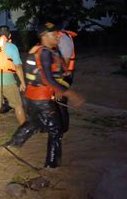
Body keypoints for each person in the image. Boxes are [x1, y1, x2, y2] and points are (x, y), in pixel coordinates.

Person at [5, 20, 84, 168]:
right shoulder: (45, 53)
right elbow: (48, 78)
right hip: (41, 98)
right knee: (56, 130)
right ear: (44, 36)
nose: (58, 36)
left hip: (30, 97)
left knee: (34, 123)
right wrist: (70, 93)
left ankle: (11, 146)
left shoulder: (37, 49)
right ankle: (52, 166)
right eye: (54, 34)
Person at [0, 26, 26, 133]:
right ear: (10, 36)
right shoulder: (11, 47)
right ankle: (25, 130)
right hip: (7, 79)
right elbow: (17, 66)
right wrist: (22, 82)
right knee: (18, 106)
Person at [57, 29, 77, 133]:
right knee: (55, 102)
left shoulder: (64, 40)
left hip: (64, 76)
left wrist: (58, 82)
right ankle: (58, 127)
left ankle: (63, 129)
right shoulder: (58, 37)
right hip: (58, 75)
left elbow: (65, 63)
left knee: (61, 102)